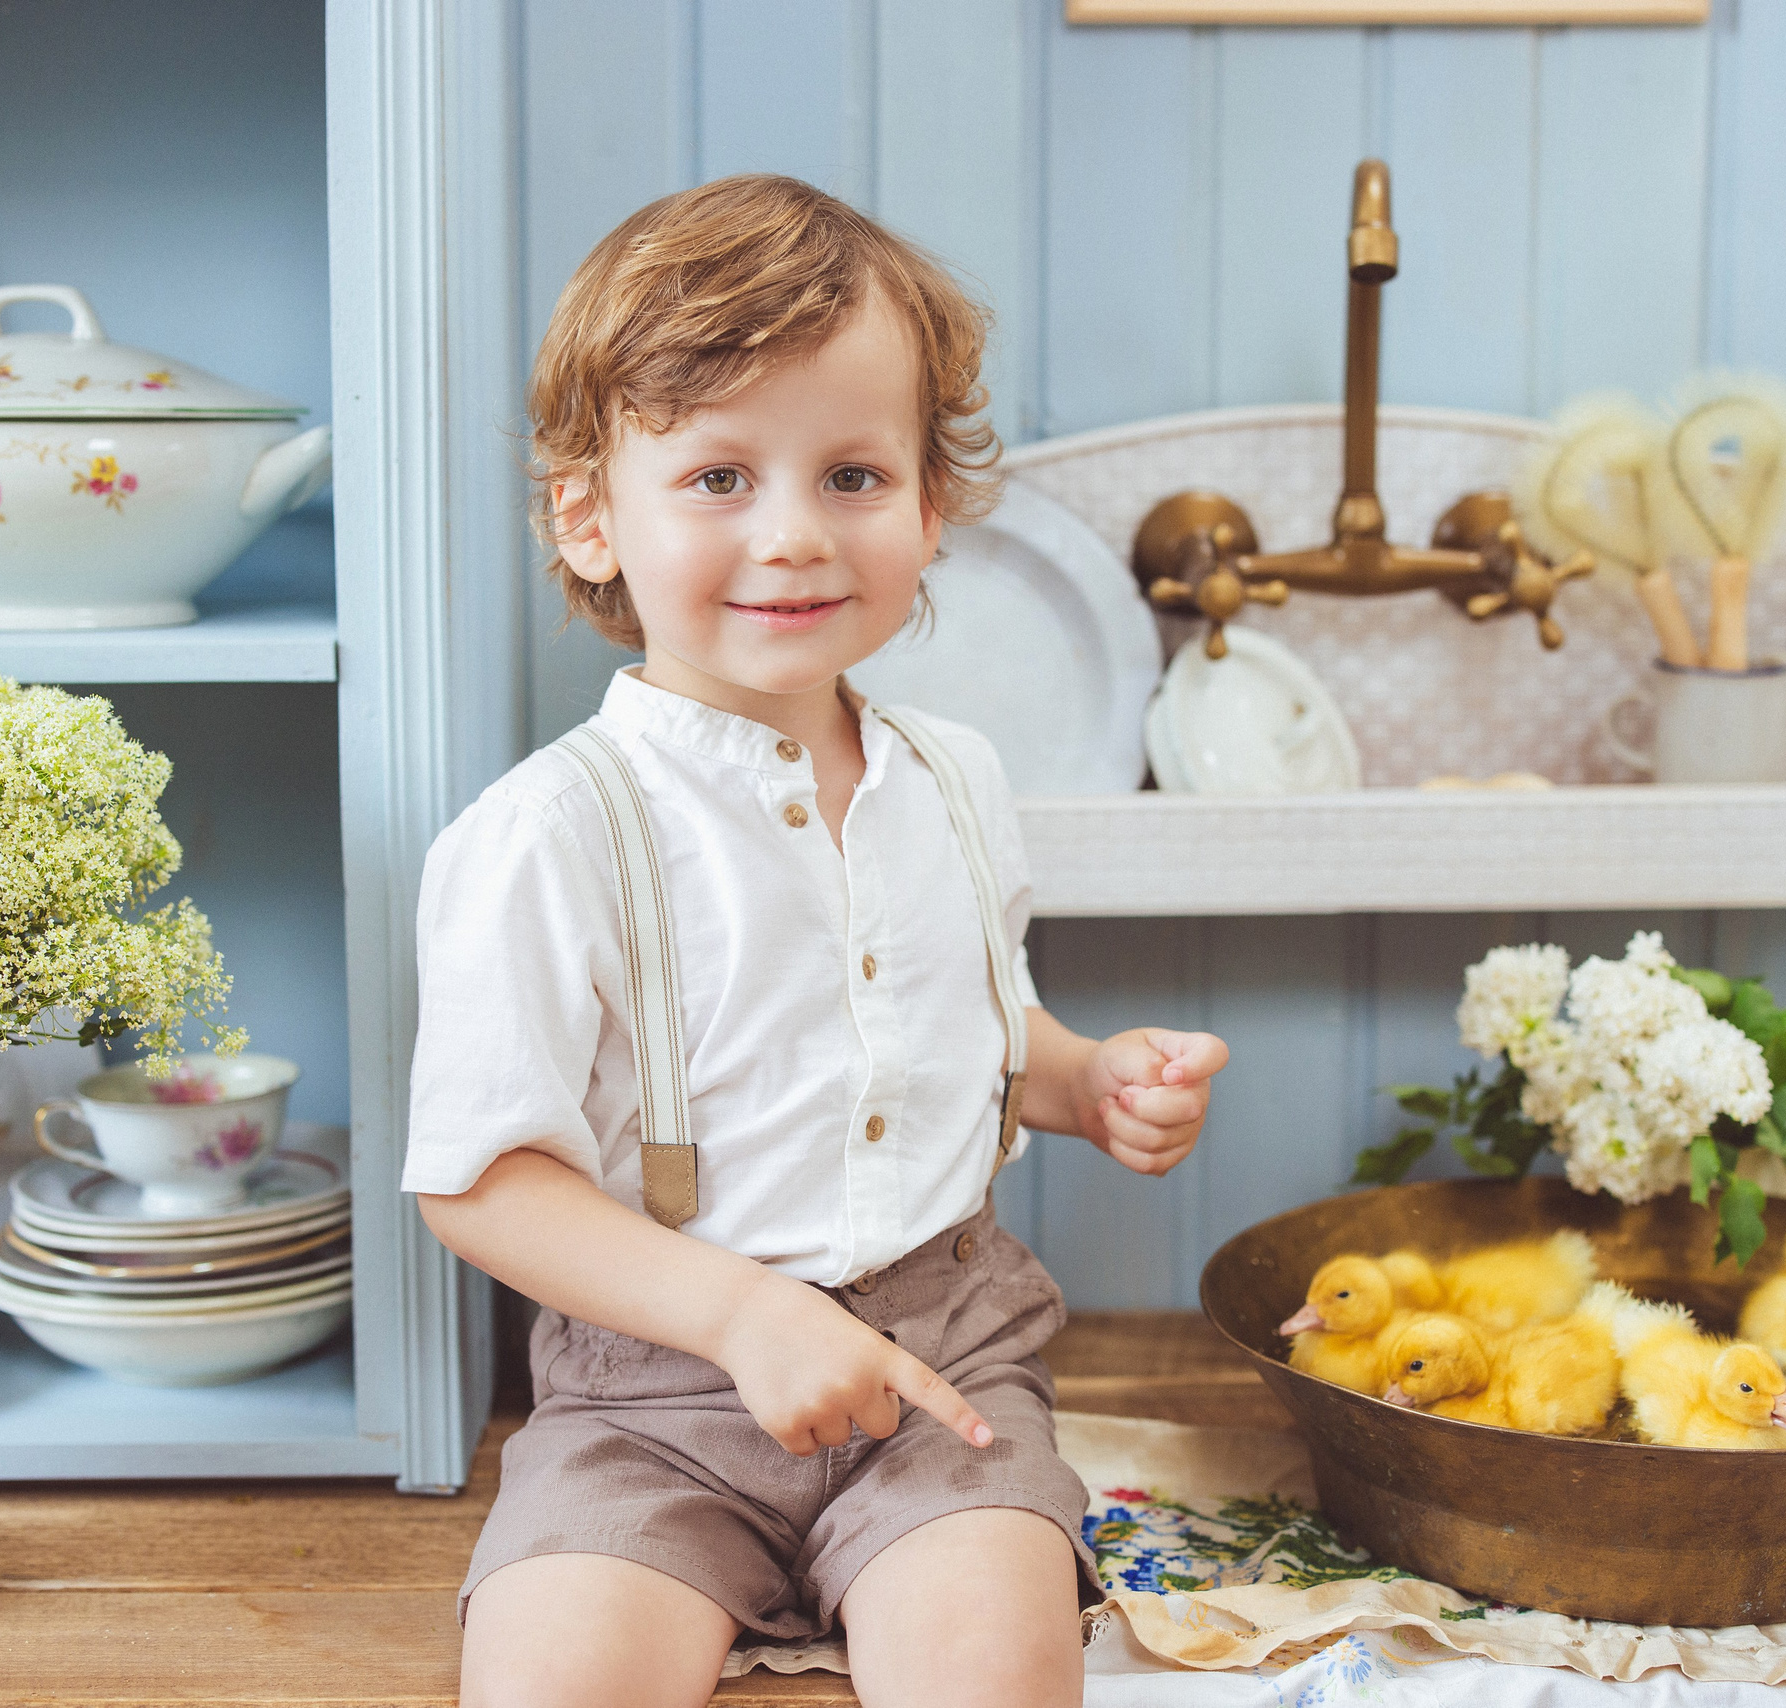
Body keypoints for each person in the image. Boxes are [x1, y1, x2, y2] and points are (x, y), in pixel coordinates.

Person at [404, 173, 1229, 1708]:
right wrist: (741, 1312)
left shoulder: (958, 783)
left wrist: (1088, 1080)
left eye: (852, 475)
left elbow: (970, 1034)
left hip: (942, 1381)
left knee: (1002, 1673)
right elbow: (480, 1179)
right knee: (549, 1685)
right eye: (719, 478)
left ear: (930, 502)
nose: (792, 537)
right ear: (591, 517)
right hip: (649, 1401)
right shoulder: (546, 835)